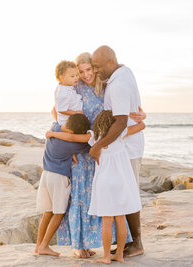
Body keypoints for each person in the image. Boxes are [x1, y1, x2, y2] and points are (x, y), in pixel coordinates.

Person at [52, 52, 145, 258]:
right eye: (81, 71)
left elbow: (123, 113)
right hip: (84, 147)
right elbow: (56, 112)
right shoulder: (73, 87)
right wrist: (70, 148)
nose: (86, 75)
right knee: (79, 196)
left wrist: (141, 115)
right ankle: (79, 244)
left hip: (103, 146)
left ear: (95, 68)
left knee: (102, 197)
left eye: (89, 69)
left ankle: (116, 244)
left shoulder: (105, 85)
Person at [90, 45, 145, 257]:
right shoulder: (122, 72)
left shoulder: (118, 84)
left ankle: (137, 244)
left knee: (128, 193)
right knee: (126, 192)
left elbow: (121, 122)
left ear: (111, 63)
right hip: (125, 145)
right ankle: (129, 243)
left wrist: (96, 146)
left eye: (98, 66)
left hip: (127, 147)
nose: (95, 71)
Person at [89, 110, 142, 264]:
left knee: (107, 220)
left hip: (105, 183)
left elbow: (78, 136)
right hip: (120, 182)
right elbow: (141, 125)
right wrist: (139, 115)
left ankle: (106, 256)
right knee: (120, 218)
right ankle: (119, 254)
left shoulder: (95, 139)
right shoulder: (121, 134)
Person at [35, 114, 91, 257]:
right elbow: (88, 142)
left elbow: (55, 116)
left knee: (47, 212)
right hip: (59, 178)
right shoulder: (73, 144)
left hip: (46, 175)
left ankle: (38, 246)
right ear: (72, 134)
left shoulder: (54, 129)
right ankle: (45, 246)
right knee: (59, 213)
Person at [54, 60, 83, 126]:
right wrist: (75, 113)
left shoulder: (67, 86)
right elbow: (61, 110)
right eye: (72, 76)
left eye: (77, 75)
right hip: (67, 122)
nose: (76, 78)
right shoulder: (63, 92)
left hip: (72, 120)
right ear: (62, 78)